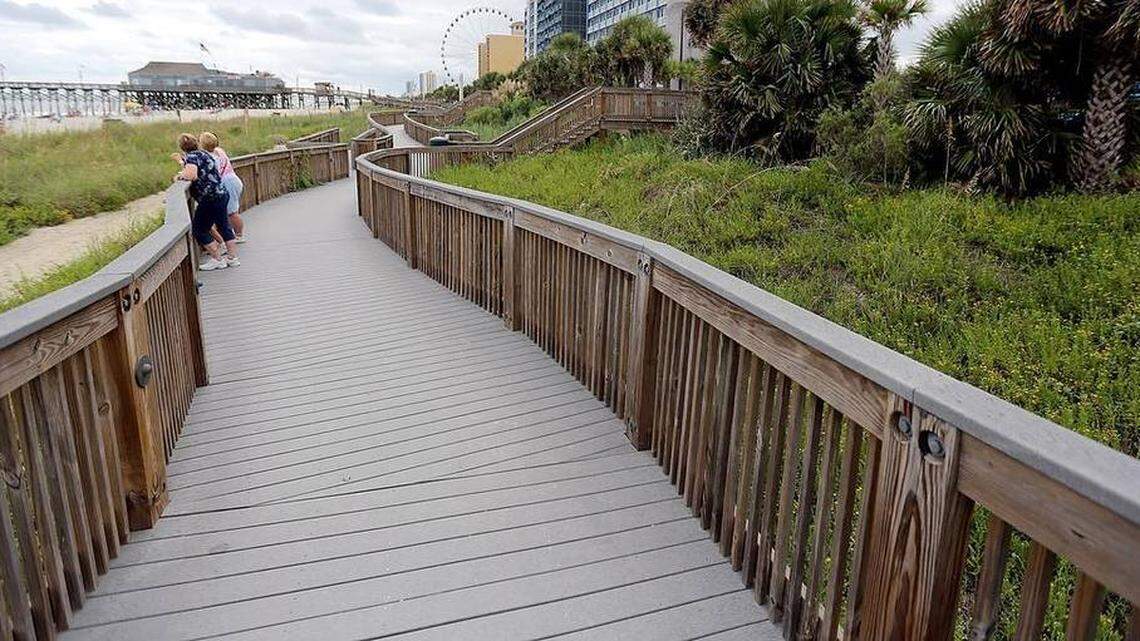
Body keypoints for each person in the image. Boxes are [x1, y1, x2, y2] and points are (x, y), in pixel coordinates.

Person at [174, 133, 238, 271]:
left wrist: (179, 176)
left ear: (182, 147)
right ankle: (232, 258)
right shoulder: (204, 154)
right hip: (221, 193)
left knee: (199, 229)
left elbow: (192, 174)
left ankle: (217, 258)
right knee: (223, 225)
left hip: (209, 198)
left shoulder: (191, 157)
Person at [199, 131, 246, 243]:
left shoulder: (210, 158)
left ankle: (239, 235)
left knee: (232, 212)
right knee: (229, 211)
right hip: (233, 179)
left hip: (227, 183)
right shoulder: (219, 151)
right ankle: (233, 235)